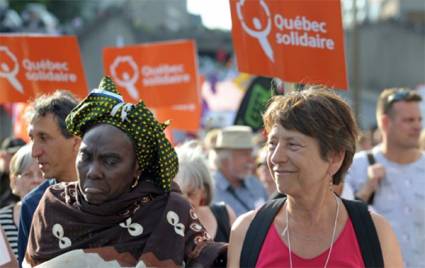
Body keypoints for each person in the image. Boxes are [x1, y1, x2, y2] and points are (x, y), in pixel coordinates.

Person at [24, 77, 226, 267]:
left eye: (110, 161)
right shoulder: (54, 205)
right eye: (86, 157)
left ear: (137, 167)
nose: (94, 172)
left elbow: (209, 258)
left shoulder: (166, 209)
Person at [228, 87, 403, 267]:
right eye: (272, 144)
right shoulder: (247, 231)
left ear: (335, 157)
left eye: (293, 145)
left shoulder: (374, 233)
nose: (275, 157)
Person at [346, 88, 424, 267]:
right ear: (385, 122)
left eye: (419, 119)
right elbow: (338, 224)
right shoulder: (357, 166)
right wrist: (366, 190)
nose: (417, 126)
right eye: (409, 120)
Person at [17, 91, 80, 266]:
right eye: (32, 139)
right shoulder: (32, 205)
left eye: (43, 138)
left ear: (75, 142)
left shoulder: (111, 194)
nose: (35, 152)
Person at [175, 141, 236, 243]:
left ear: (204, 191)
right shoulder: (164, 224)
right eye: (179, 194)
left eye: (191, 194)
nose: (185, 201)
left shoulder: (224, 214)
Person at [212, 126, 268, 216]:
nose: (251, 160)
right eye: (244, 154)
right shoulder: (210, 189)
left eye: (250, 153)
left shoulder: (255, 184)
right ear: (225, 159)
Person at [0, 144, 43, 258]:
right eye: (28, 175)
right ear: (14, 181)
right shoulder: (1, 221)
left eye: (41, 174)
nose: (36, 180)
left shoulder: (62, 216)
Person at [0, 137, 26, 208]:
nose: (19, 159)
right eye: (14, 154)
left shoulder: (31, 178)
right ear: (2, 155)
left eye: (23, 155)